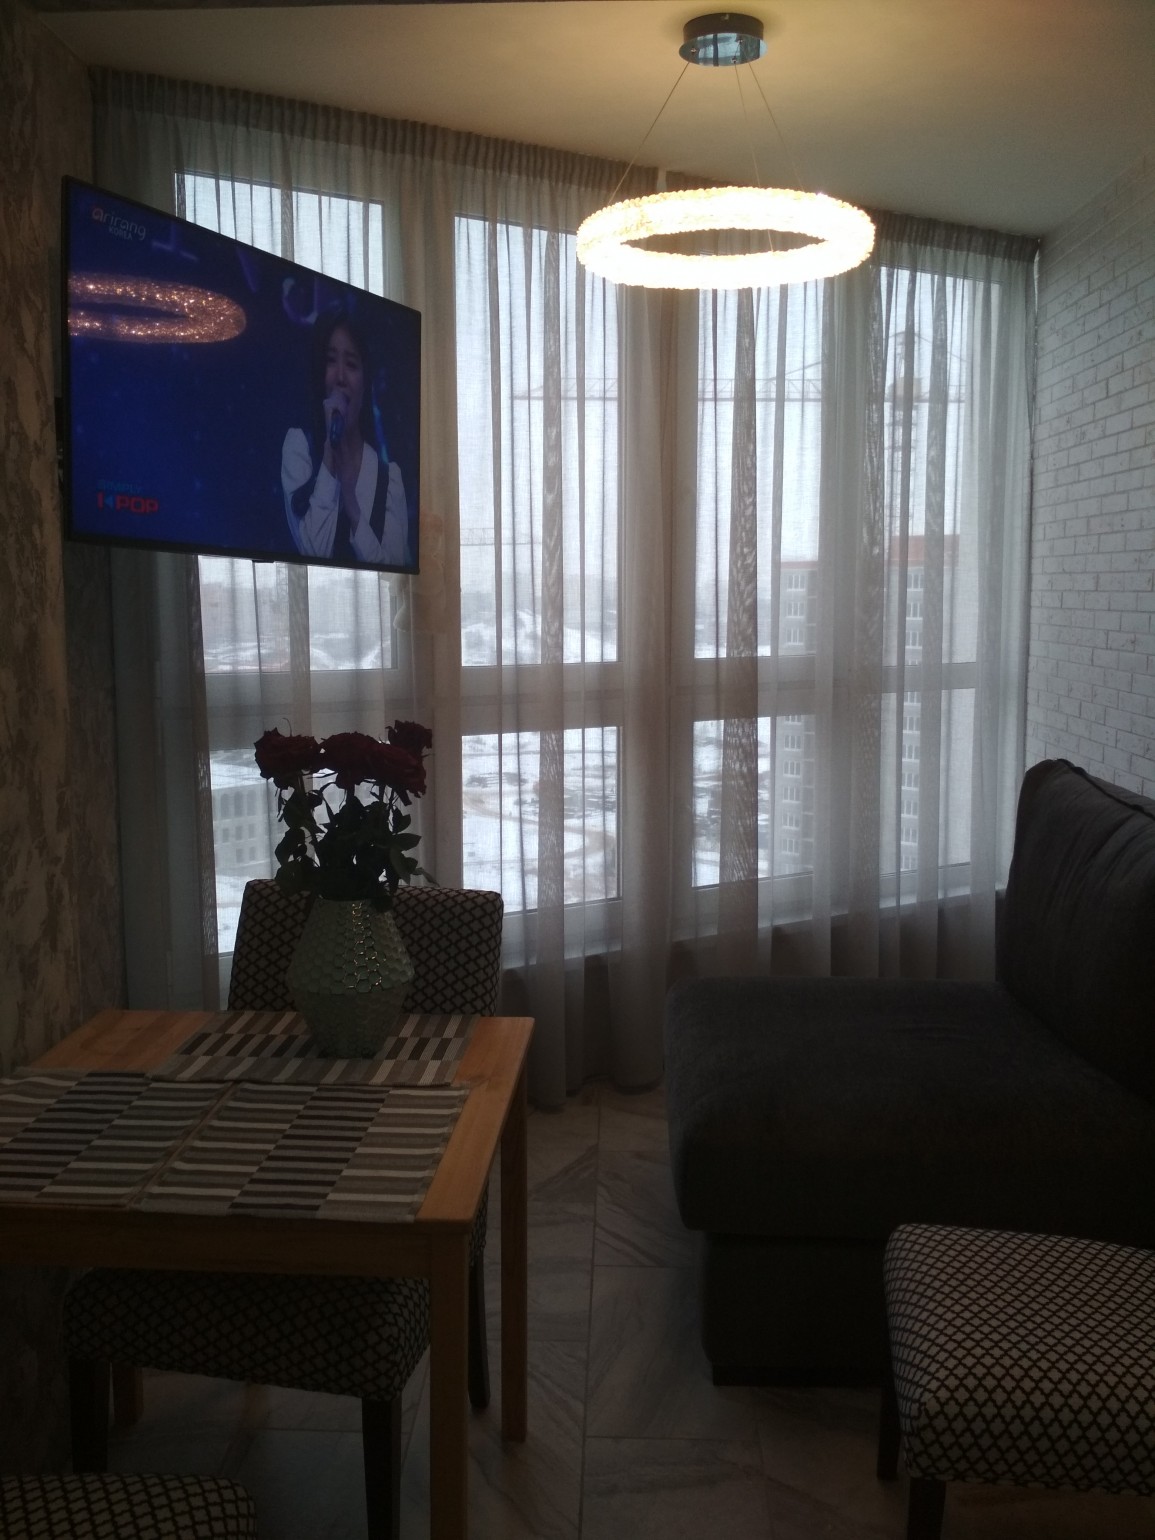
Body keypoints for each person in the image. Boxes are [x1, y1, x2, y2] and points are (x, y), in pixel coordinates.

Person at [281, 307, 411, 567]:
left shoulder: (389, 479)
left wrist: (351, 503)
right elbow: (313, 552)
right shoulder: (299, 447)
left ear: (365, 381)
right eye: (331, 361)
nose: (340, 377)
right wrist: (330, 452)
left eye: (351, 364)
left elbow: (395, 572)